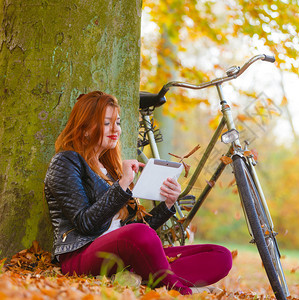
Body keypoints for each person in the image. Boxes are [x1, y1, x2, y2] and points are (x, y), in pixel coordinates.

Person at [44, 91, 232, 295]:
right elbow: (85, 223)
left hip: (124, 254)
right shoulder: (66, 161)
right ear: (85, 129)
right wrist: (123, 183)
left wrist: (168, 204)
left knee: (220, 254)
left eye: (117, 122)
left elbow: (139, 231)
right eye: (106, 123)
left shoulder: (110, 168)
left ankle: (136, 278)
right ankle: (181, 291)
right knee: (140, 235)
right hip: (81, 254)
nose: (115, 129)